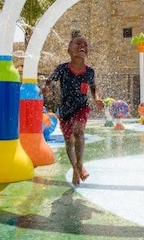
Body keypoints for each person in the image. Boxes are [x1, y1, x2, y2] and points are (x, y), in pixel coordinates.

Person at [42, 33, 105, 186]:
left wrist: (96, 98)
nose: (82, 46)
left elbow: (93, 87)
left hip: (82, 108)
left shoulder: (90, 72)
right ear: (69, 50)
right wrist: (46, 88)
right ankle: (75, 169)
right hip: (65, 110)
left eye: (85, 44)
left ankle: (80, 163)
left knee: (79, 131)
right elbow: (50, 81)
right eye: (78, 44)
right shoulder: (62, 69)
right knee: (69, 141)